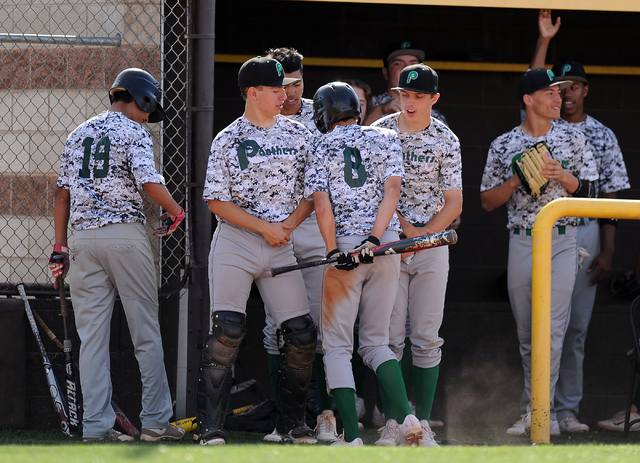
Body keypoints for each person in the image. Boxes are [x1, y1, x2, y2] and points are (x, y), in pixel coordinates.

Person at [48, 68, 186, 443]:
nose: (148, 117)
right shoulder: (133, 131)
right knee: (145, 331)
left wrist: (60, 246)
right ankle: (156, 422)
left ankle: (96, 428)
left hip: (82, 243)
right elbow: (149, 182)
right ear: (139, 98)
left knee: (91, 338)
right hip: (124, 237)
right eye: (148, 109)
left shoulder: (78, 133)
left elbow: (62, 195)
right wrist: (177, 211)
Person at [197, 56, 317, 445]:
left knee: (300, 335)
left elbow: (314, 193)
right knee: (227, 333)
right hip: (237, 242)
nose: (286, 95)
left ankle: (291, 425)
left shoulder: (300, 135)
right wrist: (265, 227)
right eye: (276, 89)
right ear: (254, 92)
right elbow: (216, 201)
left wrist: (287, 227)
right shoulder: (228, 138)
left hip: (281, 242)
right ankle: (211, 427)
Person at [480, 68, 598, 436]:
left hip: (564, 238)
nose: (559, 98)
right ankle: (533, 410)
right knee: (528, 333)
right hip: (522, 237)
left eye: (560, 92)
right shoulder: (503, 143)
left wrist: (565, 178)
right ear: (528, 99)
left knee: (554, 330)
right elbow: (486, 202)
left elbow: (594, 194)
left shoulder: (574, 137)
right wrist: (516, 178)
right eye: (549, 92)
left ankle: (539, 413)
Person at [529, 9, 631, 433]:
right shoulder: (542, 125)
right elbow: (529, 85)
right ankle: (537, 410)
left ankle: (566, 410)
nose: (566, 94)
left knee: (575, 329)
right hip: (542, 228)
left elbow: (615, 197)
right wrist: (544, 41)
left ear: (586, 90)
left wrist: (608, 249)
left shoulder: (602, 133)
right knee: (540, 324)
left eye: (574, 87)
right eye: (560, 87)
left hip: (586, 228)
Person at [306, 81, 423, 446]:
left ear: (325, 112)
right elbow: (393, 191)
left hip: (342, 248)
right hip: (384, 246)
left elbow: (322, 206)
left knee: (338, 346)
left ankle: (352, 439)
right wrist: (375, 238)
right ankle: (408, 421)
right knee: (376, 343)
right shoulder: (385, 137)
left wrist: (330, 250)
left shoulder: (319, 144)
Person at [372, 63, 462, 447]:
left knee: (426, 336)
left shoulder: (446, 138)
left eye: (419, 96)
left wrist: (424, 235)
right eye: (404, 94)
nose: (409, 102)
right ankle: (394, 422)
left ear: (433, 99)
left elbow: (454, 201)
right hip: (390, 243)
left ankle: (422, 424)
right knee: (390, 339)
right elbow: (372, 193)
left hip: (431, 246)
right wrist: (406, 232)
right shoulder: (378, 133)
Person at [261, 47, 336, 441]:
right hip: (275, 229)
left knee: (322, 324)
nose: (291, 93)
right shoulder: (260, 114)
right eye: (283, 84)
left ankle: (322, 413)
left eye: (297, 83)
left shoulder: (319, 111)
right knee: (277, 325)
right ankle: (283, 416)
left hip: (314, 225)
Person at [364, 41, 447, 127]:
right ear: (385, 72)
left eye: (413, 64)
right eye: (398, 63)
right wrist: (381, 109)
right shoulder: (367, 104)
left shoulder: (433, 114)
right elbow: (356, 135)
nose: (407, 68)